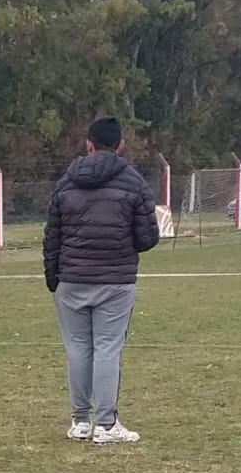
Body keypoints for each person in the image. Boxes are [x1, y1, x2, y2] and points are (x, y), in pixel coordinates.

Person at [44, 116, 159, 444]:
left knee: (77, 349)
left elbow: (52, 235)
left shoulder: (65, 182)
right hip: (116, 280)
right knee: (108, 348)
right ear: (120, 145)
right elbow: (148, 236)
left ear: (88, 145)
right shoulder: (134, 182)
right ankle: (106, 425)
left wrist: (52, 277)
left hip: (71, 279)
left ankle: (80, 421)